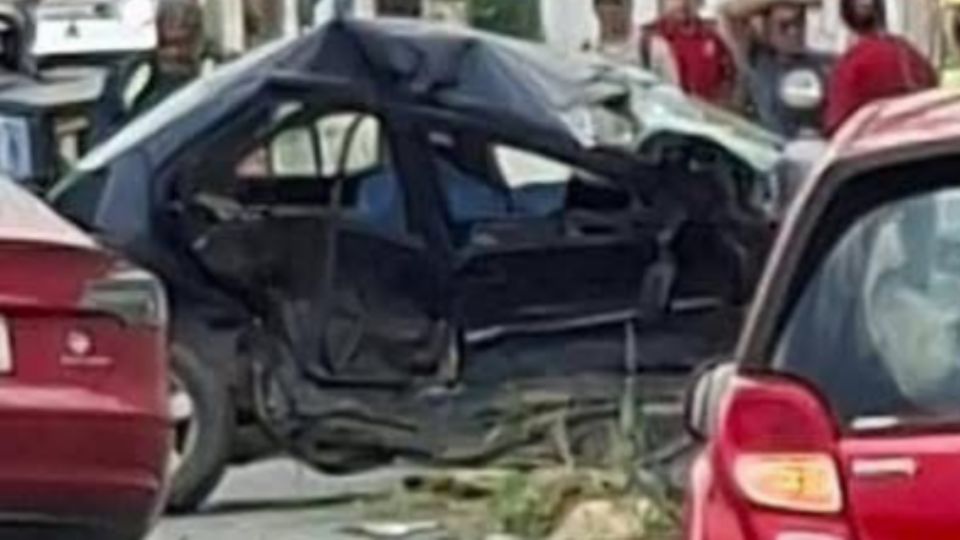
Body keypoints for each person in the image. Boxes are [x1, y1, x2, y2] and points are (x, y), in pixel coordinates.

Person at [92, 0, 206, 141]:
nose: (175, 53)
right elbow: (103, 142)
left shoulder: (220, 75)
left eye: (182, 43)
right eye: (168, 45)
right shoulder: (130, 77)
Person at [719, 0, 832, 137]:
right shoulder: (758, 58)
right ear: (767, 27)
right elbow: (728, 13)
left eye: (799, 23)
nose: (794, 31)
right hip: (766, 150)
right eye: (784, 26)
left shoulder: (822, 63)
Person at [823, 0, 937, 135]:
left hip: (875, 151)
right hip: (920, 144)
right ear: (883, 12)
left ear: (846, 19)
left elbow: (838, 128)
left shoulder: (848, 67)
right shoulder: (910, 55)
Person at [640, 0, 736, 104]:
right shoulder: (650, 38)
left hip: (708, 113)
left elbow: (730, 76)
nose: (683, 2)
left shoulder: (712, 36)